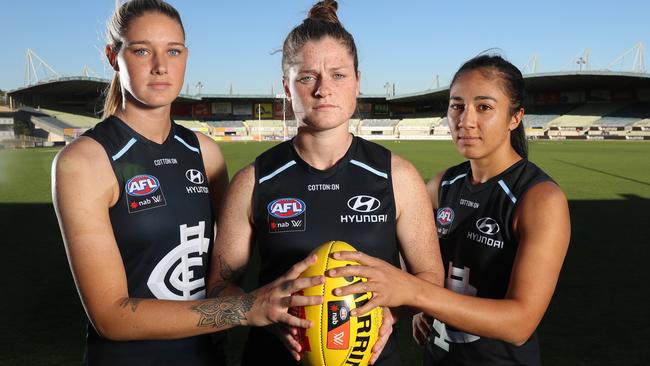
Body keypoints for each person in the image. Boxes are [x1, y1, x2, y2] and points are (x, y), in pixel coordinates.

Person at [51, 1, 323, 365]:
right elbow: (110, 317)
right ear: (113, 56)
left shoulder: (205, 153)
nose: (161, 66)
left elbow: (223, 270)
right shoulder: (84, 161)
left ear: (186, 57)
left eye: (173, 51)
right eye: (142, 50)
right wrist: (245, 309)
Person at [206, 1, 444, 365]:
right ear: (286, 87)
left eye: (338, 74)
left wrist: (389, 314)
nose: (323, 89)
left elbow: (431, 277)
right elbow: (218, 288)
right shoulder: (253, 181)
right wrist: (261, 312)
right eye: (306, 77)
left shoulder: (397, 176)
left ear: (358, 83)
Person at [329, 54, 571, 365]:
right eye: (457, 106)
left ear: (515, 117)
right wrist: (420, 306)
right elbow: (417, 258)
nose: (465, 120)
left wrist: (416, 294)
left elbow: (520, 323)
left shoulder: (539, 199)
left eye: (484, 107)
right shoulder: (442, 185)